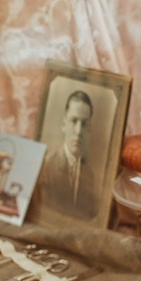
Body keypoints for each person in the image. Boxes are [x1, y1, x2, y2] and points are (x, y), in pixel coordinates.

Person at [39, 90, 97, 219]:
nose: (78, 131)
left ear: (89, 129)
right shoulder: (47, 167)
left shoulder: (89, 175)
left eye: (84, 124)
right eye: (74, 121)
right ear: (64, 124)